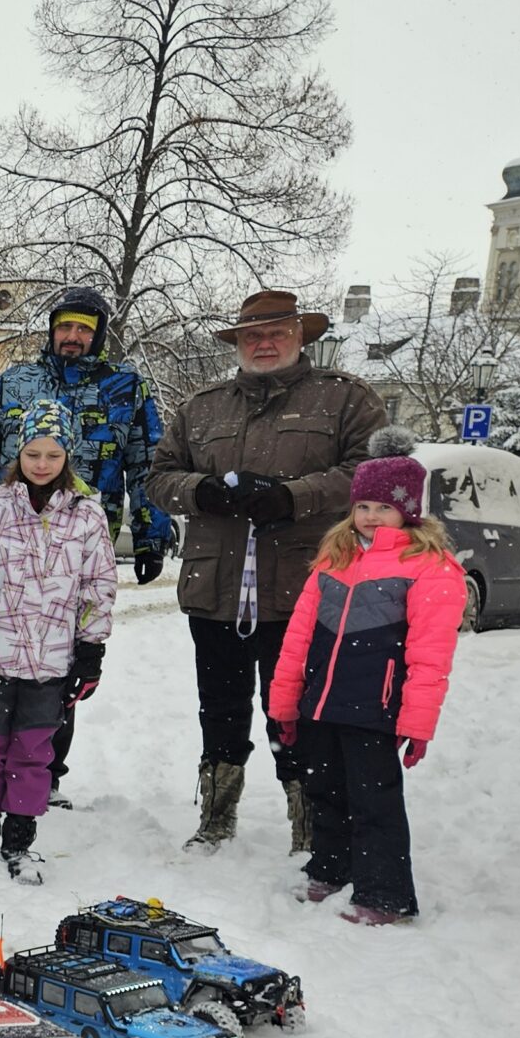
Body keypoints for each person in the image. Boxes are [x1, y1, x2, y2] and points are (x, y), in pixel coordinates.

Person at [146, 288, 387, 850]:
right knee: (220, 711)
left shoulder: (344, 399)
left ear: (301, 336)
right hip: (216, 590)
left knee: (298, 713)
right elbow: (159, 478)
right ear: (238, 342)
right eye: (252, 335)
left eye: (277, 333)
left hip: (303, 589)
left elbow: (374, 473)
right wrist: (200, 490)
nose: (264, 344)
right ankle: (216, 817)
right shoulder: (202, 406)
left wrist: (293, 497)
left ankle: (311, 826)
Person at [0, 284, 168, 807]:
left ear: (99, 336)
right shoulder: (15, 381)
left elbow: (147, 464)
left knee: (59, 666)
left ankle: (44, 773)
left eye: (83, 330)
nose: (72, 337)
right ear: (51, 330)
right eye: (64, 326)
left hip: (81, 546)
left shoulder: (126, 388)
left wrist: (152, 532)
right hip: (7, 542)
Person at [266, 431, 463, 925]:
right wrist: (285, 701)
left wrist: (417, 723)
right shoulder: (336, 557)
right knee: (324, 789)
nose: (371, 516)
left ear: (408, 511)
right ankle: (330, 868)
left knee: (374, 800)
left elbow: (431, 654)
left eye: (384, 507)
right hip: (321, 701)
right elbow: (298, 636)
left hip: (376, 706)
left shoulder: (429, 566)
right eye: (363, 506)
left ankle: (384, 893)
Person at [0, 399, 117, 883]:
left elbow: (98, 586)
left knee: (32, 751)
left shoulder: (87, 515)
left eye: (53, 455)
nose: (42, 464)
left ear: (68, 457)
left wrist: (91, 650)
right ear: (18, 454)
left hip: (51, 661)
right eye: (33, 454)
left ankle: (19, 839)